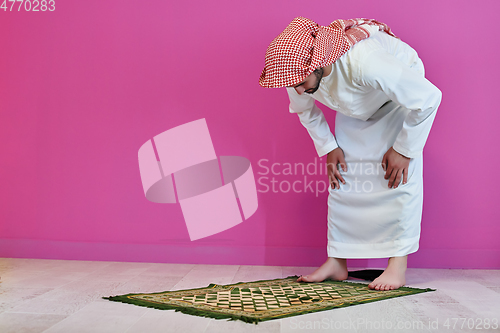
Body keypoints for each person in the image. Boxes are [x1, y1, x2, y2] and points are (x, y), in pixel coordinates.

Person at [259, 17, 441, 290]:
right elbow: (304, 110)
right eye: (292, 84)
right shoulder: (296, 73)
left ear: (317, 62)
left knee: (396, 178)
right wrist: (329, 147)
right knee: (342, 179)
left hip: (397, 100)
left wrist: (404, 150)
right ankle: (337, 262)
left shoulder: (364, 62)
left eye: (300, 82)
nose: (296, 90)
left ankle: (397, 266)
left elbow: (428, 98)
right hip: (357, 103)